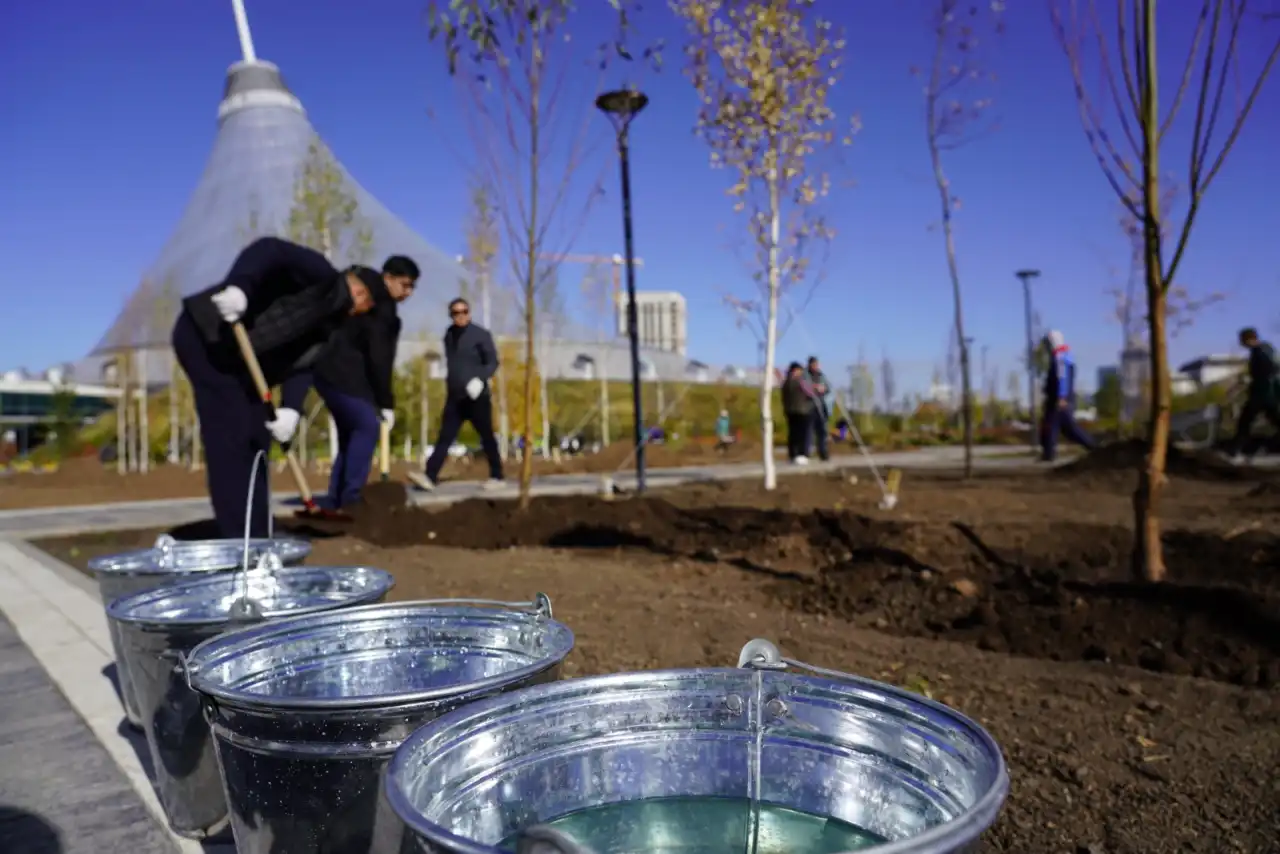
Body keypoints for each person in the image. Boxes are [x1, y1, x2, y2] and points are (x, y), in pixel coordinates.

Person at [171, 237, 388, 538]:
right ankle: (240, 538)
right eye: (366, 304)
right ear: (359, 290)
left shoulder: (330, 328)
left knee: (256, 438)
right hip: (206, 338)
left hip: (242, 364)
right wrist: (240, 289)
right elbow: (269, 249)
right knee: (231, 436)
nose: (361, 312)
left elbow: (303, 364)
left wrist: (290, 409)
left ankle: (259, 527)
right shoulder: (320, 273)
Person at [281, 256, 420, 509]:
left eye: (412, 287)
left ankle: (336, 500)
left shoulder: (359, 287)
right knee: (366, 426)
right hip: (343, 372)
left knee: (350, 434)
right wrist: (385, 401)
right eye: (405, 284)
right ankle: (351, 499)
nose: (408, 292)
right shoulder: (383, 306)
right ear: (387, 278)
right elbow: (380, 356)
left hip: (323, 369)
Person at [407, 297, 504, 491]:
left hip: (477, 397)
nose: (460, 316)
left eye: (464, 312)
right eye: (456, 313)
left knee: (486, 436)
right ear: (451, 315)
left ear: (469, 312)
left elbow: (493, 362)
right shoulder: (449, 335)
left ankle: (497, 476)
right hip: (455, 398)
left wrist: (480, 379)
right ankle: (430, 476)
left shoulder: (481, 335)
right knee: (445, 437)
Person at [1040, 329, 1097, 462]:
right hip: (1061, 398)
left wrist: (1061, 396)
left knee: (1054, 425)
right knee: (1066, 429)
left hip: (1059, 400)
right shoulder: (1065, 356)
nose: (1047, 346)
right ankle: (1093, 447)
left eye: (1048, 343)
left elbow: (1062, 378)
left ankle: (1049, 454)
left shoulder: (1060, 357)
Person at [1227, 327, 1280, 464]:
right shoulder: (1266, 348)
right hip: (1268, 394)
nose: (1240, 343)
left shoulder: (1260, 350)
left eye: (1241, 340)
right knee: (1275, 419)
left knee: (1245, 422)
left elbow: (1270, 368)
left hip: (1263, 393)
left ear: (1248, 339)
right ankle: (1235, 450)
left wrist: (1258, 380)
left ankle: (1233, 452)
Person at [781, 361, 816, 465]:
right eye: (799, 371)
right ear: (795, 371)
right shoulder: (800, 382)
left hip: (790, 411)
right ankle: (802, 454)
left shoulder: (785, 383)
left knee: (793, 434)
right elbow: (810, 393)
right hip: (802, 411)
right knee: (802, 434)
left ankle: (793, 455)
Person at [806, 356, 833, 462]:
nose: (815, 367)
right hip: (810, 406)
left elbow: (828, 388)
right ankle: (807, 452)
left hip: (821, 406)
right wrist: (813, 387)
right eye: (813, 365)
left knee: (822, 431)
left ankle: (823, 452)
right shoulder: (805, 376)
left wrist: (823, 388)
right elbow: (804, 387)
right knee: (809, 431)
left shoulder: (822, 375)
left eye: (817, 365)